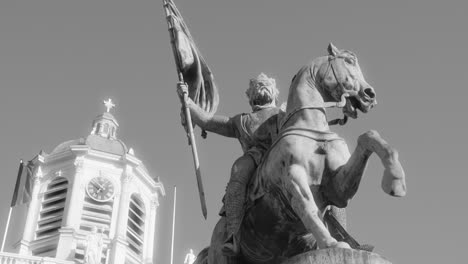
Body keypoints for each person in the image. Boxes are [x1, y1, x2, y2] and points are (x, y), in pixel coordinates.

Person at [177, 73, 281, 256]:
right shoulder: (241, 121)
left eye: (265, 84)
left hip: (283, 155)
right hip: (255, 159)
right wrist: (188, 101)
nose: (261, 86)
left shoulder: (285, 114)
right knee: (239, 169)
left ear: (275, 92)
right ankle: (233, 235)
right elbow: (208, 121)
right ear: (250, 95)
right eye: (257, 85)